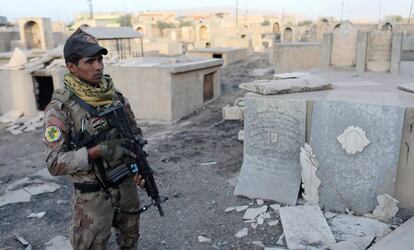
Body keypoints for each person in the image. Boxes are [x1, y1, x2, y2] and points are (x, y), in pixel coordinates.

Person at [43, 32, 145, 250]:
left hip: (126, 185)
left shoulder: (115, 97)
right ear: (72, 67)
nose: (98, 66)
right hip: (92, 197)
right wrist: (97, 151)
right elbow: (54, 163)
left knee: (130, 241)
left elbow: (135, 135)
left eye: (100, 60)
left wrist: (139, 166)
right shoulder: (60, 109)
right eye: (90, 61)